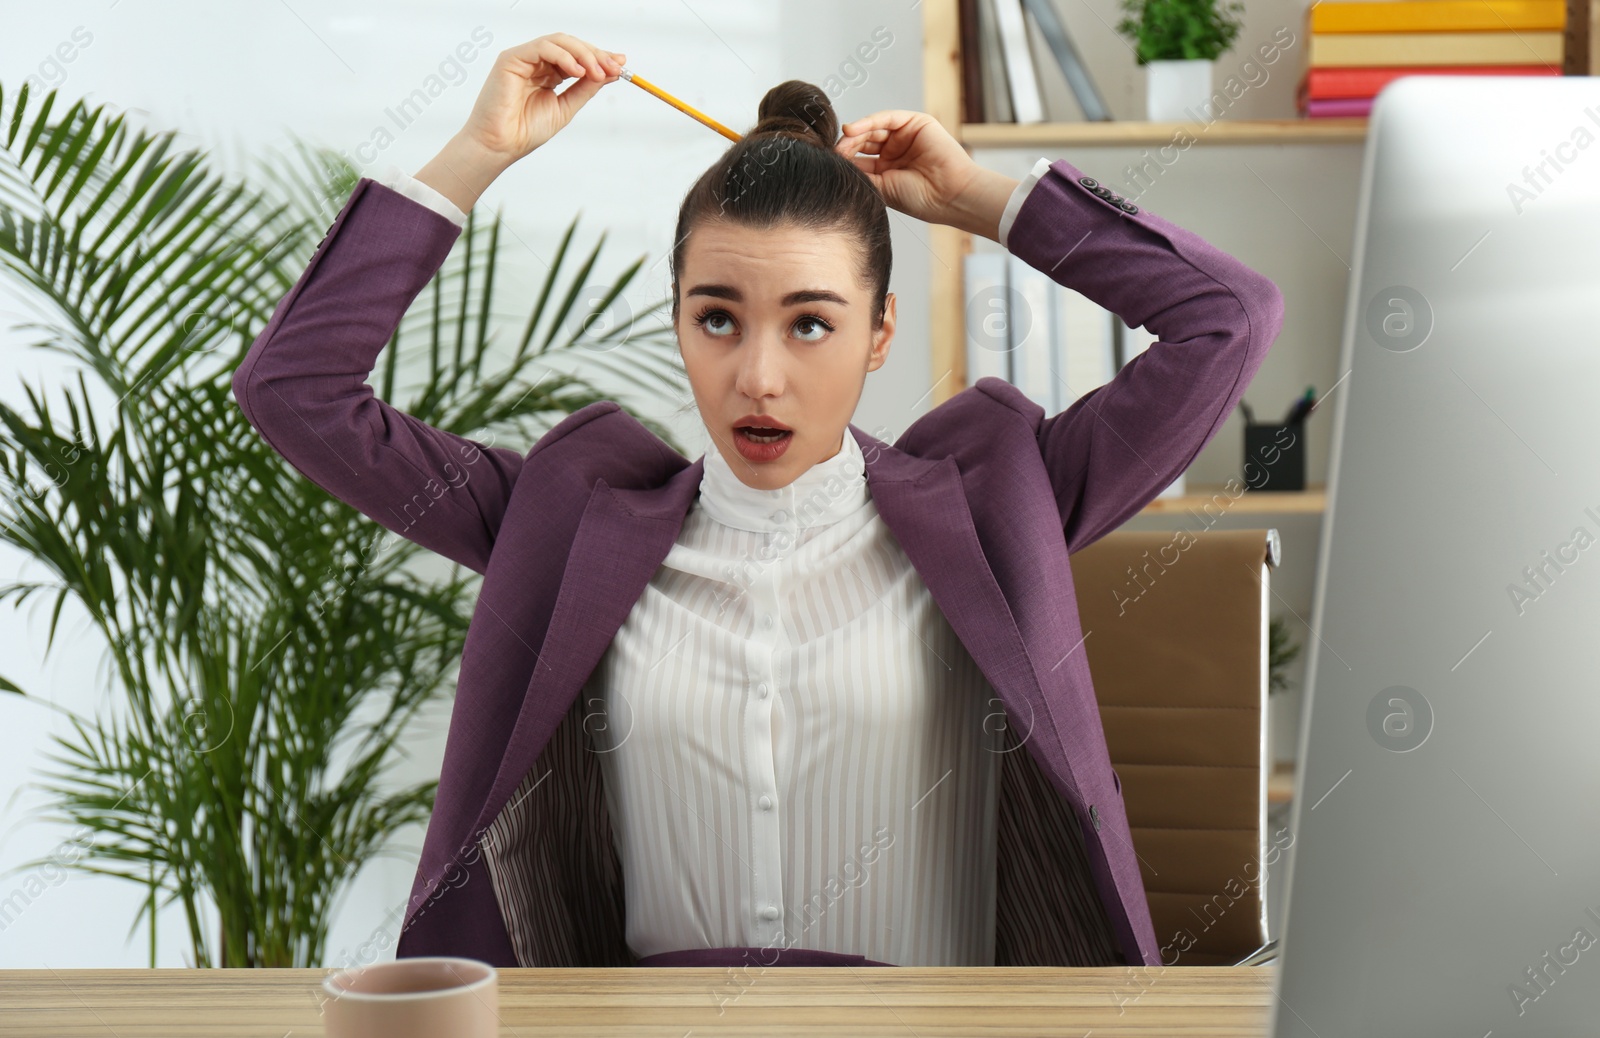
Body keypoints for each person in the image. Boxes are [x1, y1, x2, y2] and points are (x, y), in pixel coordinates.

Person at [232, 32, 1285, 970]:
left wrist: (982, 201)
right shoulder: (567, 523)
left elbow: (1226, 320)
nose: (761, 378)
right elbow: (297, 392)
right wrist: (480, 153)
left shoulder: (998, 506)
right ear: (680, 324)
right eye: (720, 319)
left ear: (880, 336)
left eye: (812, 324)